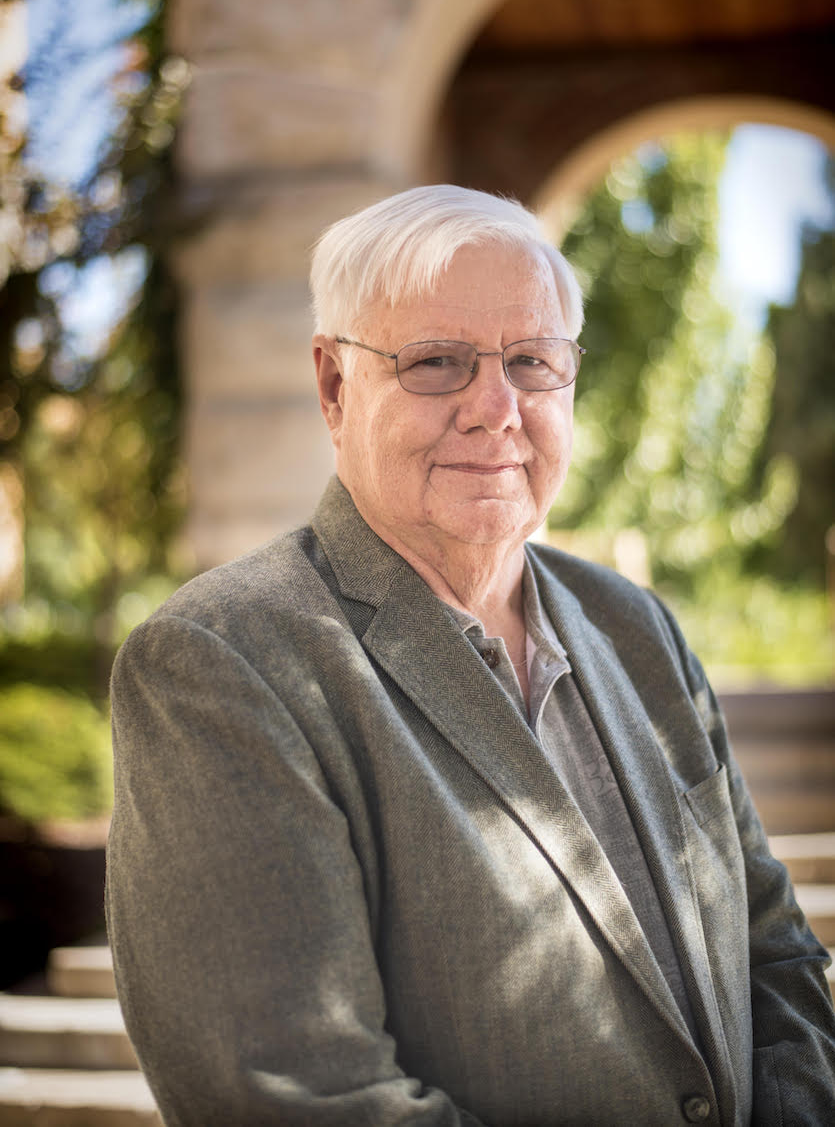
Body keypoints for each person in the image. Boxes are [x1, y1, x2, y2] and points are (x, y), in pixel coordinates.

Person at [106, 185, 835, 1126]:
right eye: (437, 362)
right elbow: (299, 1096)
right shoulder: (217, 664)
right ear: (334, 385)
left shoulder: (635, 627)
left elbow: (772, 958)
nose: (495, 409)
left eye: (531, 361)